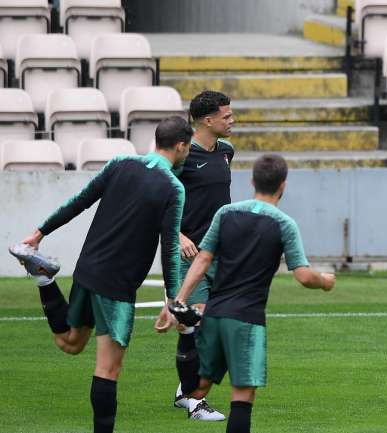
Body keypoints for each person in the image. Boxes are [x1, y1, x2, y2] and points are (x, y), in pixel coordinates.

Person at [8, 116, 192, 433]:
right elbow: (169, 247)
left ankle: (44, 278)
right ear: (180, 146)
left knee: (70, 343)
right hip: (117, 285)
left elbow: (79, 202)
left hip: (88, 268)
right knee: (109, 369)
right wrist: (172, 300)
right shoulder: (173, 188)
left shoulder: (120, 163)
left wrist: (39, 232)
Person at [171, 154, 335, 432]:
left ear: (251, 181)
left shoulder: (226, 213)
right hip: (247, 319)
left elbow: (201, 259)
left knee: (195, 391)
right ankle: (187, 339)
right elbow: (304, 277)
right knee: (242, 395)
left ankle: (187, 337)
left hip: (214, 314)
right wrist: (325, 281)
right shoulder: (284, 224)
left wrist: (180, 299)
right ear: (283, 185)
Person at [168, 90, 235, 419]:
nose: (232, 120)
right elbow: (159, 201)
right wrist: (178, 235)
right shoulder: (181, 157)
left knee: (222, 326)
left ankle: (186, 389)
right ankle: (194, 402)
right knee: (191, 324)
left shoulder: (226, 151)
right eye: (226, 115)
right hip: (189, 254)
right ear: (208, 120)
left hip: (221, 253)